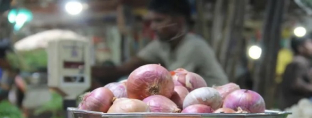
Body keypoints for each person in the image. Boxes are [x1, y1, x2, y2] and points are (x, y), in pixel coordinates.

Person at [92, 0, 229, 87]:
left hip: (213, 108)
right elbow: (125, 69)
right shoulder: (161, 44)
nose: (152, 27)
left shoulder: (194, 46)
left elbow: (172, 83)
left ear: (179, 21)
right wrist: (87, 72)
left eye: (159, 20)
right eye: (151, 21)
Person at [278, 36, 312, 109]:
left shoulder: (301, 61)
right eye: (309, 43)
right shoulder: (299, 62)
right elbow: (297, 84)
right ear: (300, 48)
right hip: (295, 104)